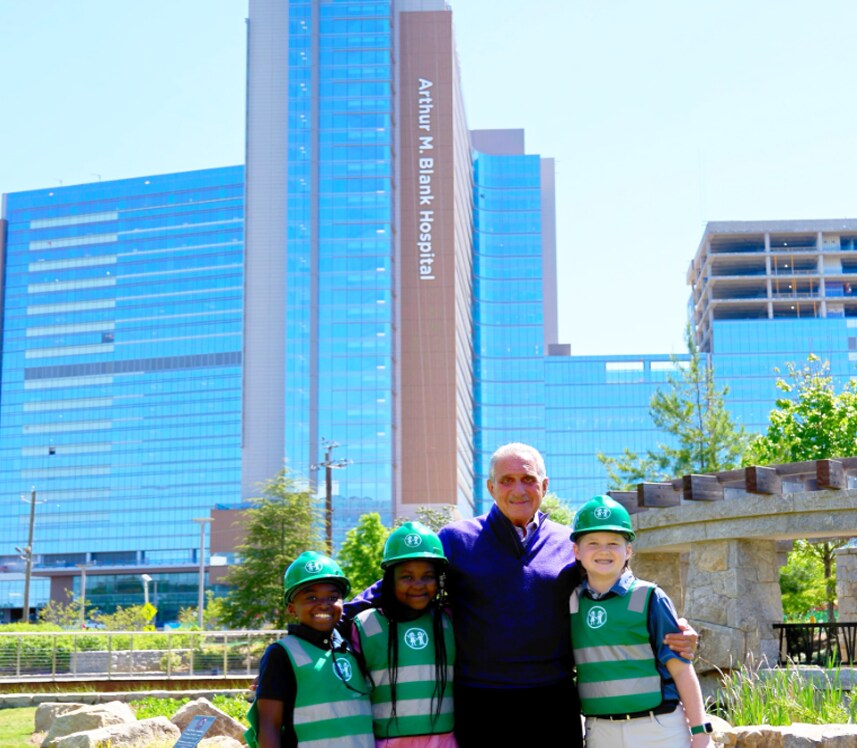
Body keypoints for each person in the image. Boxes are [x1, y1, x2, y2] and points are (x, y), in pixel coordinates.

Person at [436, 442, 696, 747]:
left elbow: (618, 592)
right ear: (491, 488)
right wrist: (363, 613)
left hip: (554, 700)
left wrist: (672, 629)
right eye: (507, 480)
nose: (518, 489)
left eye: (528, 479)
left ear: (544, 486)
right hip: (480, 701)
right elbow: (401, 587)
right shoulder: (455, 540)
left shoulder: (570, 544)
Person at [570, 495, 713, 747]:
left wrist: (701, 732)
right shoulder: (571, 602)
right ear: (576, 551)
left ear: (628, 551)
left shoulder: (649, 597)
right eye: (592, 542)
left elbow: (680, 667)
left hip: (658, 728)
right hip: (600, 730)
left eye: (614, 543)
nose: (603, 550)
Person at [245, 551, 374, 748]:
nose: (324, 605)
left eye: (333, 597)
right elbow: (269, 725)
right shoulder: (281, 654)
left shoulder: (353, 644)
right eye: (311, 597)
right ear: (291, 608)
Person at [352, 521, 456, 747]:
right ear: (389, 581)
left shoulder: (449, 620)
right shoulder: (364, 624)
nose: (418, 585)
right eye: (406, 577)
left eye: (428, 576)